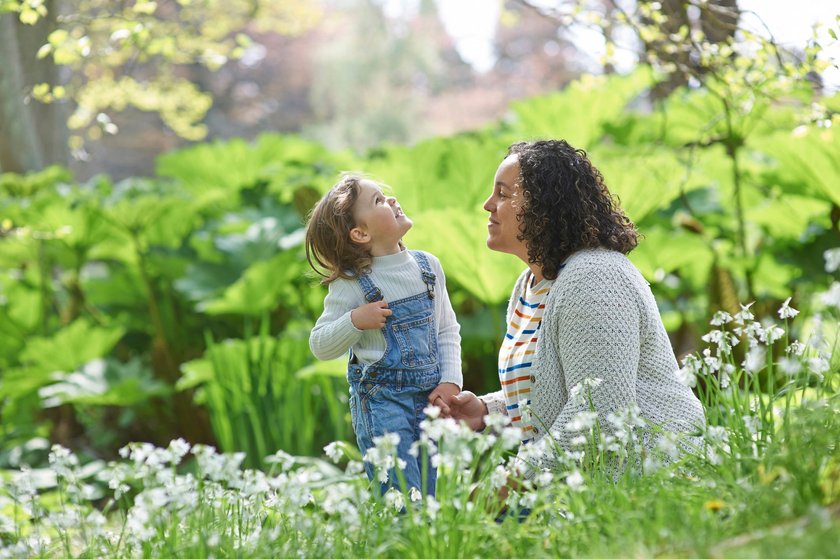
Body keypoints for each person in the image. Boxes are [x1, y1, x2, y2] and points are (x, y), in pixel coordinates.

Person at [441, 140, 705, 480]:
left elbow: (600, 409)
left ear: (543, 207)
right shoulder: (530, 285)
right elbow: (555, 395)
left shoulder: (596, 277)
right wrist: (486, 412)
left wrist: (516, 481)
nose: (488, 205)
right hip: (579, 490)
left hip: (654, 479)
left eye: (504, 195)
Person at [306, 174, 462, 497]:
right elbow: (319, 344)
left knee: (435, 493)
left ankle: (431, 548)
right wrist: (355, 321)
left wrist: (450, 381)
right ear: (360, 233)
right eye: (378, 201)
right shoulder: (352, 284)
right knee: (399, 495)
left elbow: (447, 329)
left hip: (430, 399)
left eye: (386, 196)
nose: (391, 201)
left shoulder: (427, 267)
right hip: (383, 405)